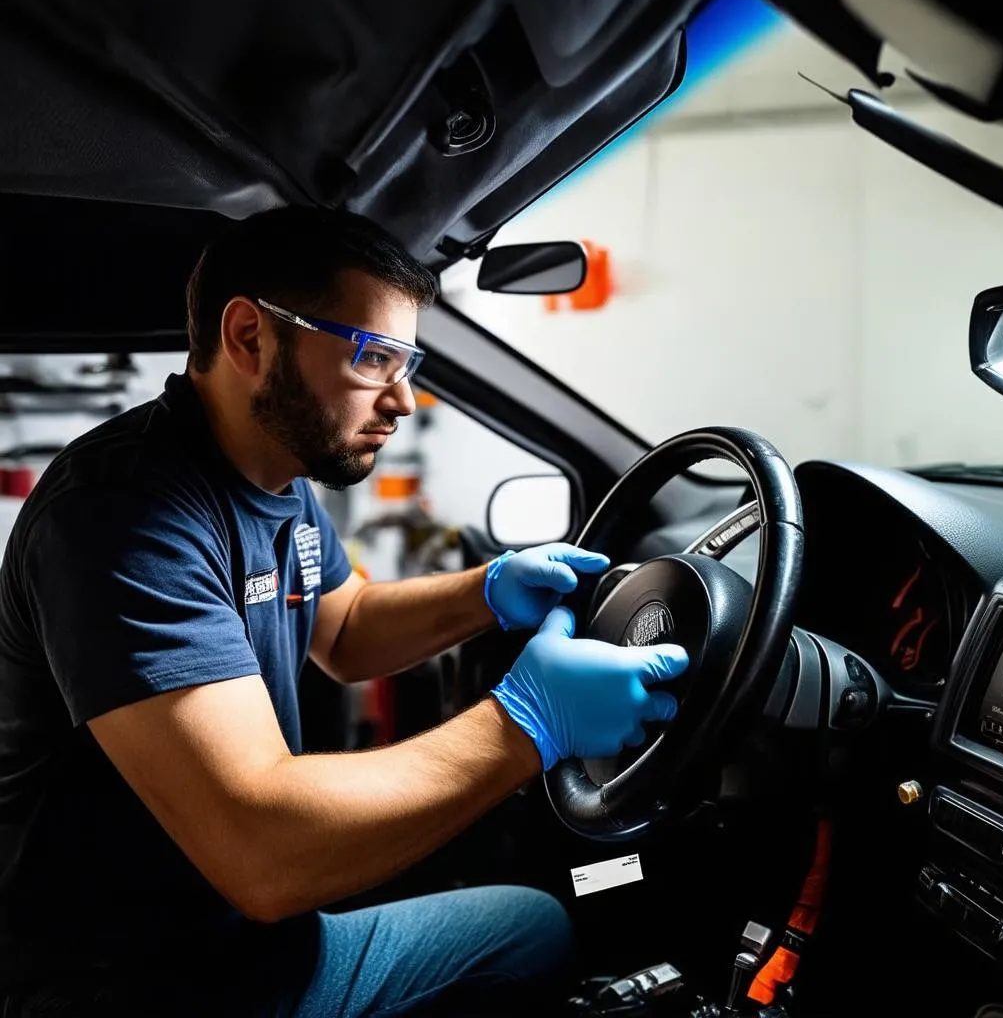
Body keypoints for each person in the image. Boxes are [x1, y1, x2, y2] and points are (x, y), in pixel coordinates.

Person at [0, 206, 688, 1018]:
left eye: (410, 361)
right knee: (539, 928)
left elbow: (346, 626)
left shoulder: (274, 477)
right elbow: (263, 855)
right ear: (250, 338)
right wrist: (528, 724)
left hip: (247, 945)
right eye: (374, 357)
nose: (403, 398)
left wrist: (488, 590)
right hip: (147, 985)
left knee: (534, 927)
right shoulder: (123, 516)